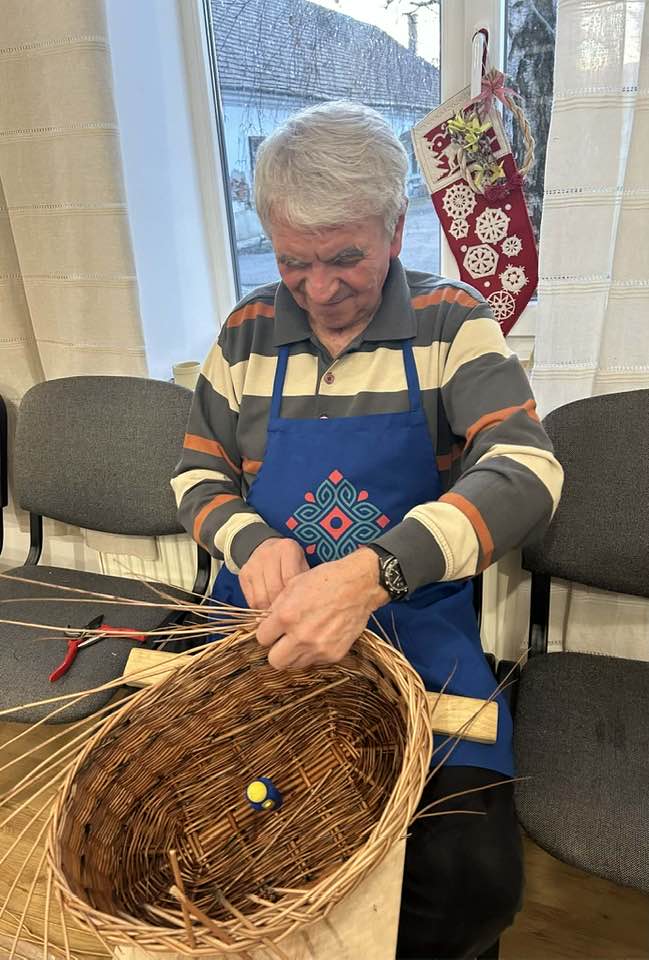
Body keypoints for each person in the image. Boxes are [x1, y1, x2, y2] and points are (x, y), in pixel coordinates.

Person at [172, 101, 563, 959]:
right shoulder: (244, 335)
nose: (318, 290)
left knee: (467, 881)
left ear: (393, 227)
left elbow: (527, 472)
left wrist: (368, 575)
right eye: (292, 261)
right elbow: (195, 476)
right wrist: (250, 541)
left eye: (344, 257)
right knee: (217, 844)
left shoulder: (451, 322)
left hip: (414, 636)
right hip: (261, 637)